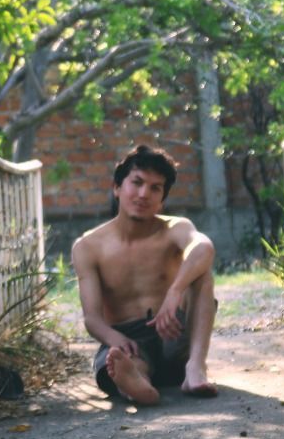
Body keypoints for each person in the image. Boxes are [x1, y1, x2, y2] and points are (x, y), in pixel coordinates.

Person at [70, 144, 217, 405]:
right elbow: (92, 318)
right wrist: (116, 339)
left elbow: (204, 247)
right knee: (117, 360)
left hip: (175, 334)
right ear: (117, 188)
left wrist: (175, 290)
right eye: (136, 182)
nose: (143, 194)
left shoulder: (176, 229)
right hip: (130, 339)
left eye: (155, 188)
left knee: (202, 275)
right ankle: (137, 384)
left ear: (162, 200)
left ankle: (195, 368)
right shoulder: (88, 247)